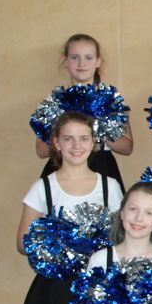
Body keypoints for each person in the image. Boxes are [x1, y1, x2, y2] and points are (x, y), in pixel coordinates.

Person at [14, 111, 123, 304]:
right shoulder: (44, 187)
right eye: (68, 139)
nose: (77, 145)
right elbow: (22, 242)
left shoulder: (109, 186)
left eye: (83, 138)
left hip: (96, 285)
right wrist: (60, 246)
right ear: (56, 143)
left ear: (94, 142)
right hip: (58, 286)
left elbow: (122, 238)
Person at [37, 34, 132, 191]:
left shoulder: (111, 100)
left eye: (88, 57)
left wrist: (98, 127)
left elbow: (127, 148)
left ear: (98, 61)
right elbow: (41, 150)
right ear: (66, 61)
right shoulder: (55, 100)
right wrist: (64, 133)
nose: (81, 63)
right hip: (62, 166)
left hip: (102, 166)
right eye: (75, 57)